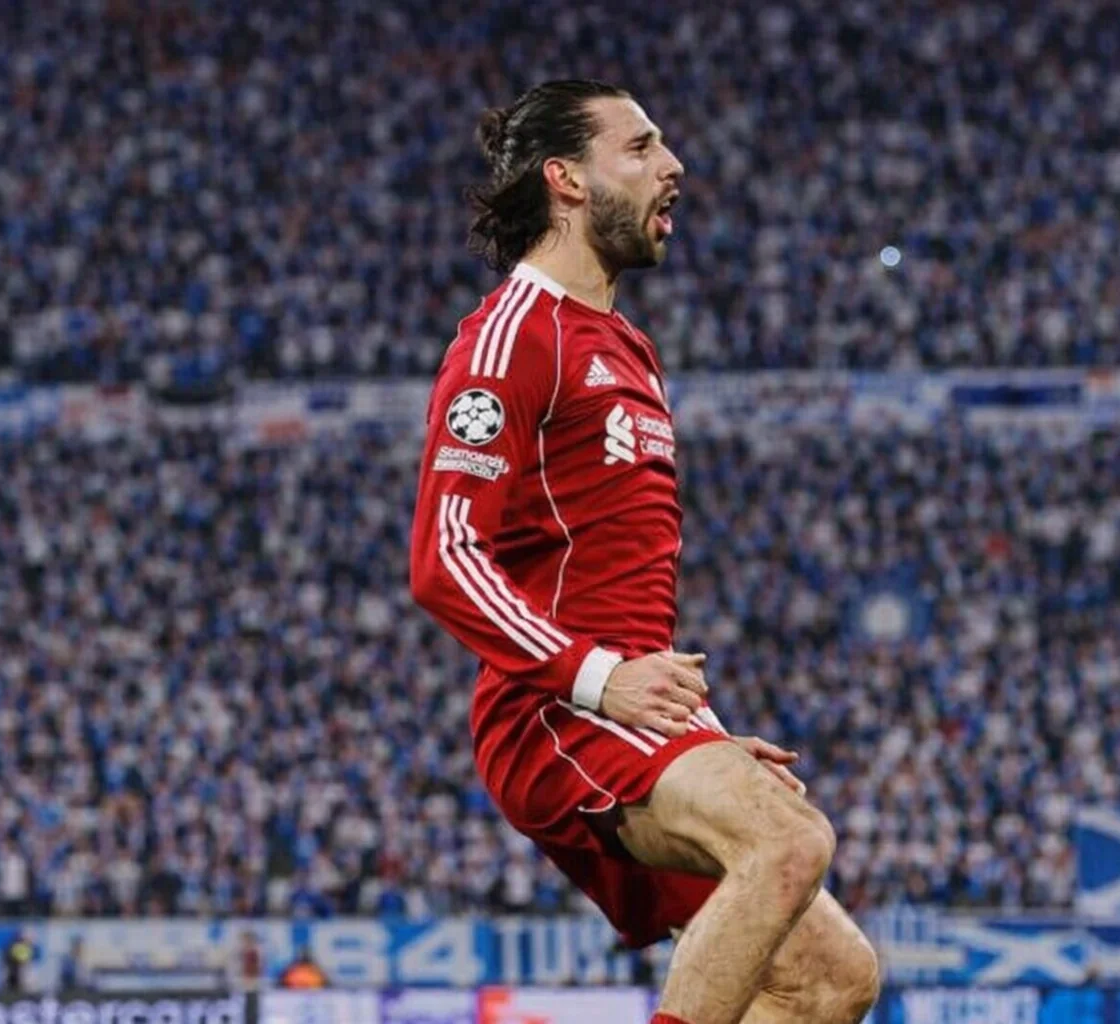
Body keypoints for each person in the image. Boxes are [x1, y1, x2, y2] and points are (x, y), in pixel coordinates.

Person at [410, 80, 880, 1024]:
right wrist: (596, 682)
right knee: (789, 841)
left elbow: (609, 581)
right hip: (553, 713)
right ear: (566, 181)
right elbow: (444, 557)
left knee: (833, 979)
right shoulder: (511, 337)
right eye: (641, 147)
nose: (674, 167)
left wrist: (692, 748)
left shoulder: (626, 343)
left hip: (633, 716)